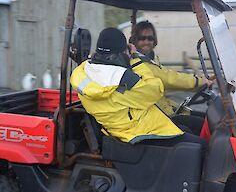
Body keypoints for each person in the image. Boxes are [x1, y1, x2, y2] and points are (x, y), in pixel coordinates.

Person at [70, 27, 206, 146]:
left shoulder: (82, 72)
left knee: (186, 129)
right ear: (123, 51)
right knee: (203, 146)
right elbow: (155, 90)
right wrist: (135, 59)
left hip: (122, 127)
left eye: (150, 38)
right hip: (138, 131)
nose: (147, 41)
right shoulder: (124, 78)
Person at [130, 21, 214, 134]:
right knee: (205, 126)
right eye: (142, 38)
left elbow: (168, 73)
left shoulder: (150, 59)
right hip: (155, 115)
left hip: (163, 109)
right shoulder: (138, 64)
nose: (146, 42)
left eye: (150, 38)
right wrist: (199, 81)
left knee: (208, 119)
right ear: (134, 40)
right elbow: (170, 79)